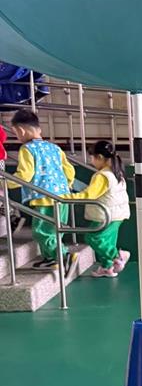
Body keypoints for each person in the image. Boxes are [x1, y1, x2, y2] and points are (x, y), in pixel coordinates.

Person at [8, 108, 77, 275]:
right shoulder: (54, 148)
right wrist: (65, 185)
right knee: (54, 230)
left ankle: (65, 256)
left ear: (21, 130)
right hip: (62, 196)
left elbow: (25, 175)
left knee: (42, 232)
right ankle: (51, 258)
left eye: (16, 133)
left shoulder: (27, 149)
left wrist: (5, 183)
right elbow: (69, 170)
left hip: (44, 198)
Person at [64, 139, 131, 278]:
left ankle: (117, 256)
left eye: (92, 157)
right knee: (108, 241)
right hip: (117, 214)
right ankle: (107, 267)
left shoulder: (102, 176)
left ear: (99, 157)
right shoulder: (116, 172)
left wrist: (68, 197)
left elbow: (90, 194)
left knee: (92, 237)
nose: (91, 161)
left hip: (106, 215)